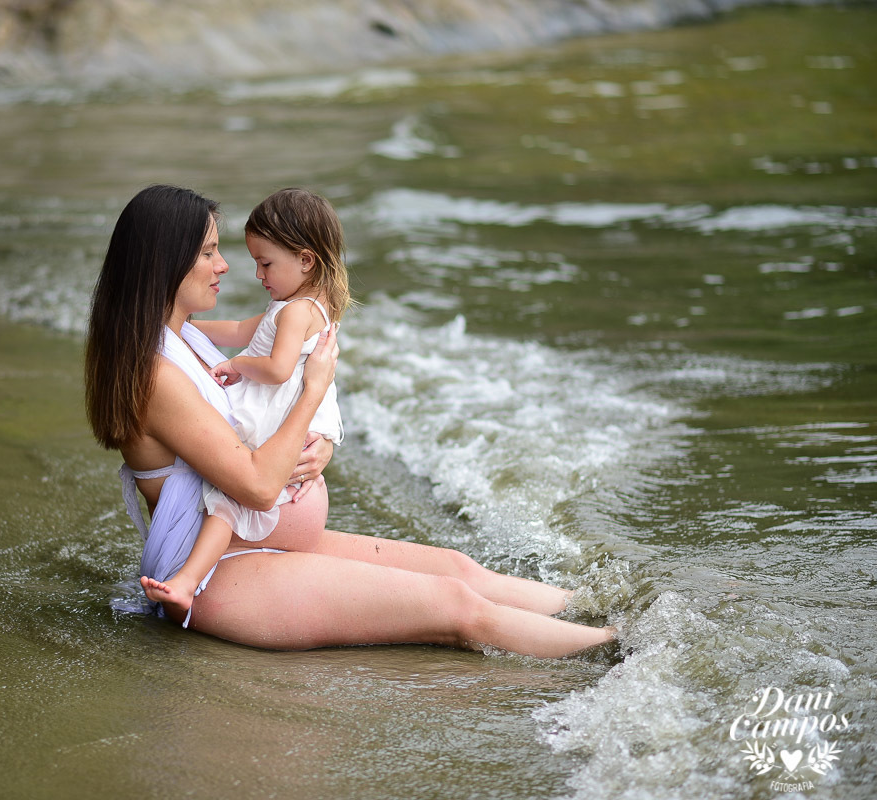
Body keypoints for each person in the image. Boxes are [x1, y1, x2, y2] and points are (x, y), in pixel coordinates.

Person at [86, 184, 615, 658]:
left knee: (457, 569)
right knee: (457, 609)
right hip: (221, 575)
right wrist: (312, 391)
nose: (224, 265)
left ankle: (614, 610)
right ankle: (626, 654)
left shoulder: (188, 340)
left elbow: (252, 433)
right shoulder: (155, 374)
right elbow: (258, 484)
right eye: (207, 252)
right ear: (163, 263)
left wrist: (320, 448)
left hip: (260, 540)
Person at [140, 188, 349, 621]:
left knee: (224, 505)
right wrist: (179, 327)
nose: (255, 273)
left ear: (306, 260)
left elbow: (275, 368)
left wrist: (237, 364)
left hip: (266, 424)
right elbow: (237, 327)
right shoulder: (294, 307)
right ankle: (186, 582)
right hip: (273, 511)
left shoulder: (295, 312)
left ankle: (185, 582)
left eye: (266, 263)